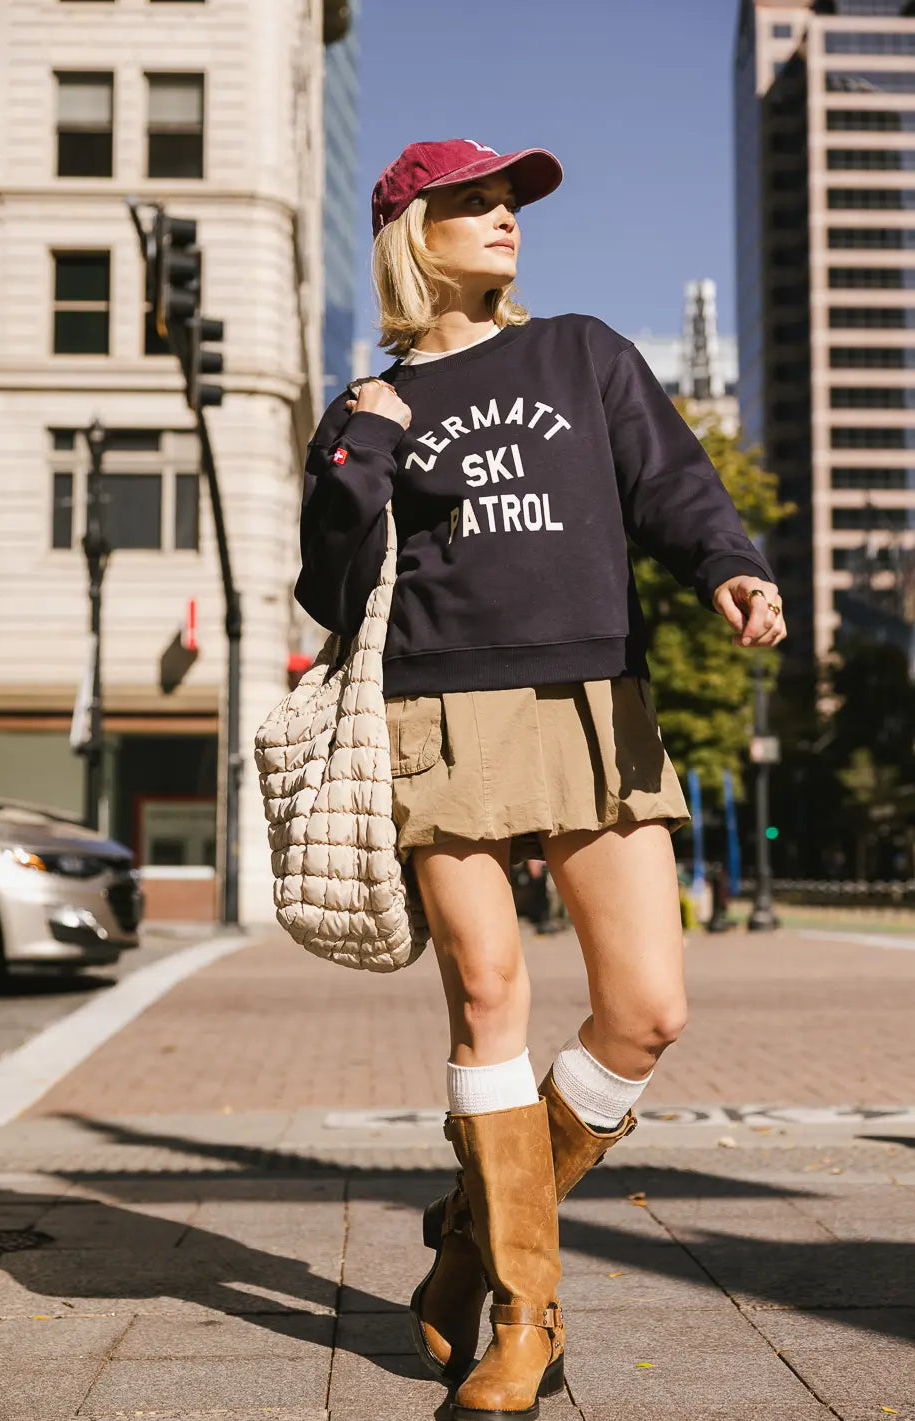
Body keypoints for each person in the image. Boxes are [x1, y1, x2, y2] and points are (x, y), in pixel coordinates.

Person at [295, 138, 786, 1420]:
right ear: (412, 231)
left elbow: (672, 485)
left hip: (592, 697)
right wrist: (365, 451)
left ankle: (472, 1229)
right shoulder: (367, 402)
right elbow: (329, 587)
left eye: (508, 199)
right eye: (472, 200)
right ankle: (526, 1314)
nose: (503, 214)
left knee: (648, 1010)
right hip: (439, 706)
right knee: (490, 996)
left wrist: (730, 564)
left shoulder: (582, 353)